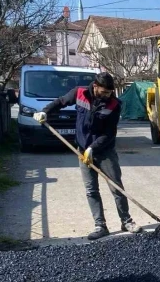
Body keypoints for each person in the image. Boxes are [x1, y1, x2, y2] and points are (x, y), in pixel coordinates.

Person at [33, 72, 142, 240]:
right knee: (91, 190)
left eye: (109, 92)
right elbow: (61, 102)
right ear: (95, 86)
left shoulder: (114, 104)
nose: (107, 95)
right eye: (104, 92)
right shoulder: (79, 93)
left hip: (104, 151)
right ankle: (100, 226)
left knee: (116, 187)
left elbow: (109, 134)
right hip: (82, 150)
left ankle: (126, 221)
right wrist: (45, 112)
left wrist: (92, 148)